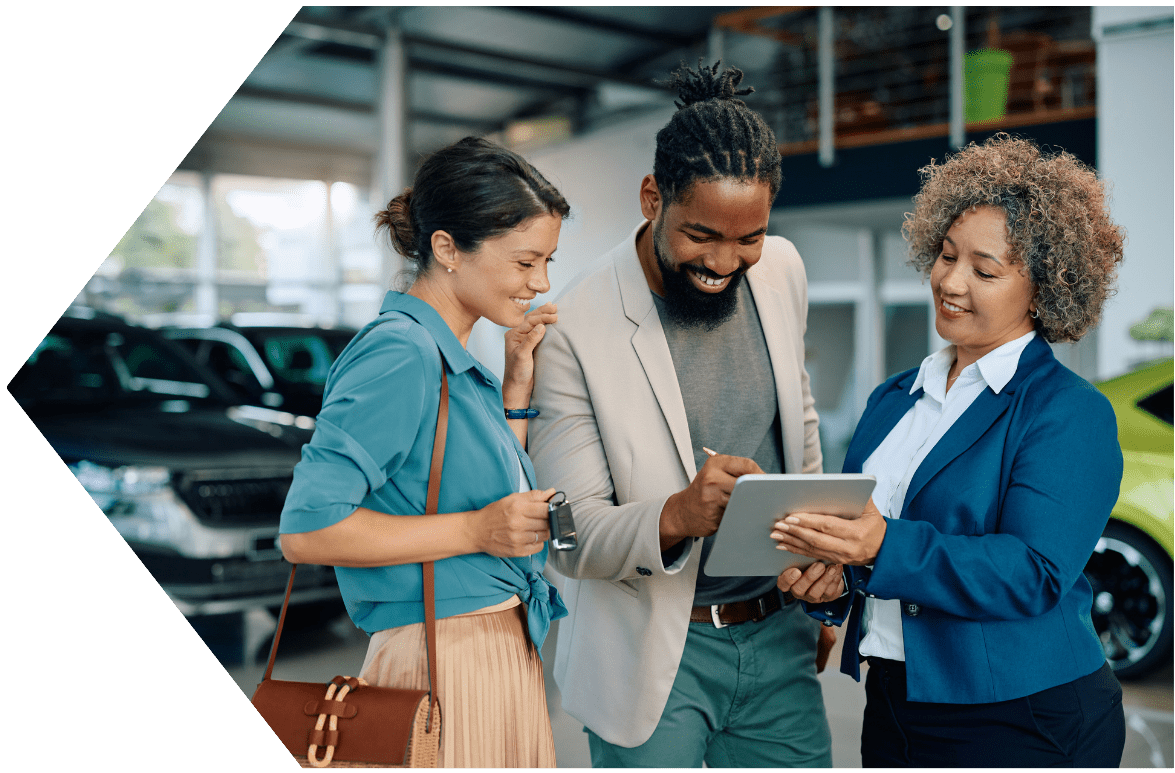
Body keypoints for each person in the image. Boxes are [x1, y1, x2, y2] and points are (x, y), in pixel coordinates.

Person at [774, 133, 1127, 767]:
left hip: (1025, 716)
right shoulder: (893, 399)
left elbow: (1034, 573)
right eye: (945, 255)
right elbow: (869, 550)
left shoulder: (1068, 413)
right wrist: (833, 580)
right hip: (894, 702)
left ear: (1044, 290)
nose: (951, 281)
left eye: (985, 270)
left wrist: (881, 546)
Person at [528, 61, 834, 768]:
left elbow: (800, 424)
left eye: (747, 238)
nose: (726, 261)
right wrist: (677, 514)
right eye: (701, 234)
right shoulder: (573, 324)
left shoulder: (781, 269)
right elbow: (568, 538)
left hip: (776, 633)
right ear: (650, 197)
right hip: (648, 654)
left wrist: (816, 563)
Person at [279, 136, 570, 768]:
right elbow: (307, 530)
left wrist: (517, 388)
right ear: (446, 249)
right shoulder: (400, 353)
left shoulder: (448, 361)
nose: (540, 282)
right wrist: (477, 530)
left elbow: (476, 494)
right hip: (445, 658)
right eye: (525, 262)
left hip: (488, 644)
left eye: (546, 261)